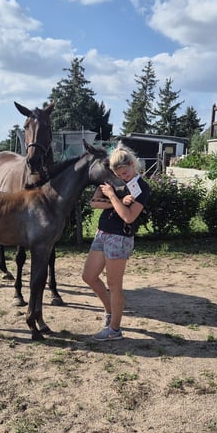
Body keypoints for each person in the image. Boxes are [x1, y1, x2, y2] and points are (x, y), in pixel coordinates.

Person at [82, 144, 151, 341]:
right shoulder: (111, 179)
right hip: (102, 233)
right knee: (88, 276)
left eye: (125, 172)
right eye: (119, 174)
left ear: (132, 164)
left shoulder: (142, 188)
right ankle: (110, 311)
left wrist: (112, 196)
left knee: (114, 285)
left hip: (119, 237)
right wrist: (117, 201)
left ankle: (114, 330)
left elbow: (128, 217)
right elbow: (94, 203)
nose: (123, 177)